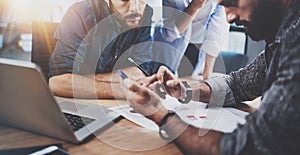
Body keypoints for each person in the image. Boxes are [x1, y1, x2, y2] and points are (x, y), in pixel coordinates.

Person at [121, 0, 300, 154]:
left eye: (232, 3)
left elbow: (246, 148)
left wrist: (162, 116)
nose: (229, 18)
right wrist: (186, 91)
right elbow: (237, 85)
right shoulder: (281, 37)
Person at [48, 0, 157, 99]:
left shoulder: (143, 15)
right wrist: (119, 89)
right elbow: (57, 82)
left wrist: (81, 81)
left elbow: (138, 73)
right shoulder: (81, 12)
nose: (135, 8)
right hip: (75, 102)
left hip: (109, 104)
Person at [152, 0, 229, 79]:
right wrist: (194, 6)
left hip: (198, 47)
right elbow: (169, 34)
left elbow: (217, 31)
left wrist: (207, 78)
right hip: (170, 47)